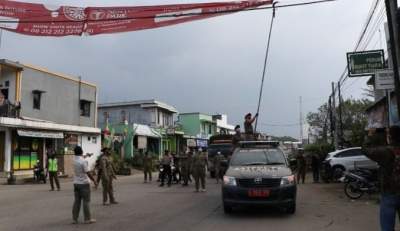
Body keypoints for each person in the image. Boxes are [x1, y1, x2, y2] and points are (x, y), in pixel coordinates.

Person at [363, 127, 400, 231]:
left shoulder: (386, 152)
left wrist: (369, 135)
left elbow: (366, 150)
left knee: (387, 227)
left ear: (390, 137)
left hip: (389, 193)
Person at [72, 146, 97, 224]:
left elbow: (80, 157)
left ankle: (74, 219)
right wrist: (94, 180)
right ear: (81, 151)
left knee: (77, 201)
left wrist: (87, 155)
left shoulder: (73, 159)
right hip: (84, 183)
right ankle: (87, 219)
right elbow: (88, 173)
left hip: (76, 183)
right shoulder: (83, 161)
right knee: (86, 201)